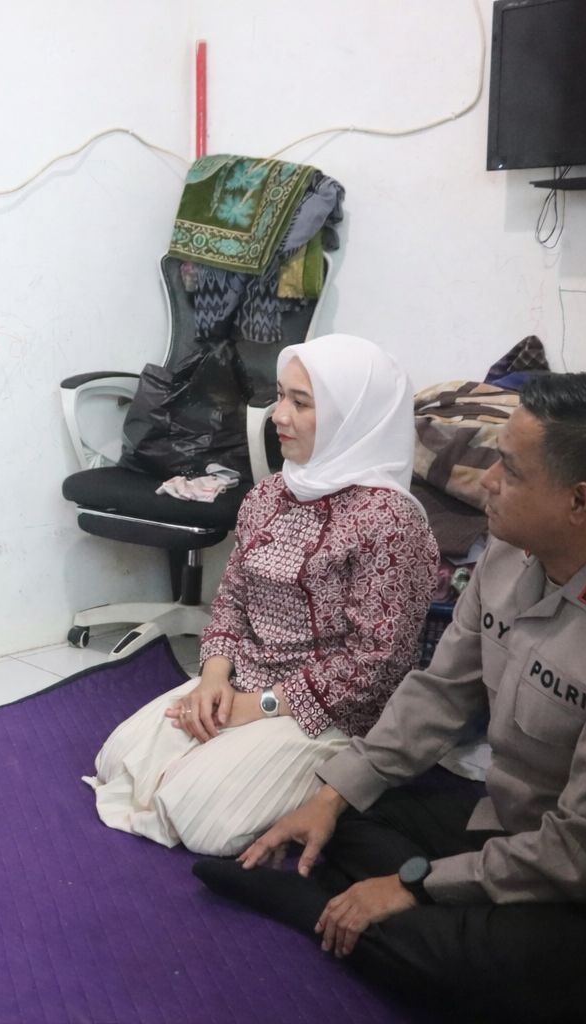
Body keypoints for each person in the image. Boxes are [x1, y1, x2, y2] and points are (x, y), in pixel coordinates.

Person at [197, 372, 586, 1023]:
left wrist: (415, 885)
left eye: (510, 469)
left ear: (579, 501)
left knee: (465, 967)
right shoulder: (511, 557)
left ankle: (328, 911)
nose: (486, 481)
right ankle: (379, 911)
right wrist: (330, 797)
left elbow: (582, 853)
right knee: (345, 818)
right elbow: (438, 693)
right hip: (505, 824)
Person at [86, 334, 438, 856]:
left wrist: (260, 707)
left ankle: (325, 776)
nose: (278, 415)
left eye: (301, 402)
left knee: (201, 820)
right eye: (279, 396)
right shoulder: (271, 493)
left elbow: (376, 662)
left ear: (352, 417)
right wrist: (213, 679)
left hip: (333, 713)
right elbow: (231, 601)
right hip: (247, 678)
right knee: (117, 760)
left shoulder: (390, 521)